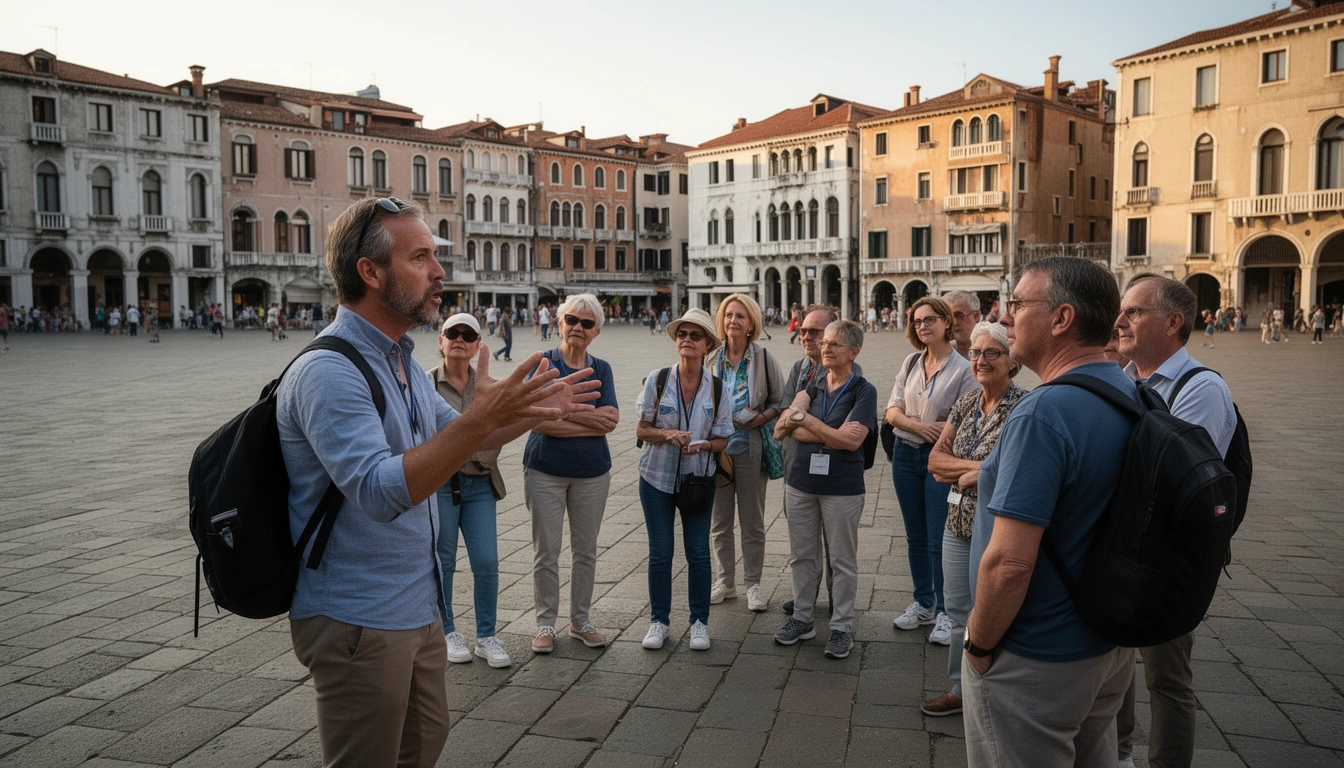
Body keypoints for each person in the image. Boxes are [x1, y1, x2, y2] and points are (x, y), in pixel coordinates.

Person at [278, 197, 600, 766]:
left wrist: (531, 411)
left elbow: (467, 438)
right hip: (359, 617)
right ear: (371, 272)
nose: (439, 271)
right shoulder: (327, 370)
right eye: (421, 257)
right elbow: (379, 492)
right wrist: (484, 416)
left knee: (425, 738)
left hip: (415, 605)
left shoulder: (397, 360)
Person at [964, 256, 1136, 768]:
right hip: (1107, 643)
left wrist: (977, 644)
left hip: (1038, 655)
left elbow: (1010, 564)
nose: (1007, 314)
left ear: (1061, 319)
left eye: (1017, 304)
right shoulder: (1130, 391)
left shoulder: (1043, 413)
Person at [1113, 275, 1237, 768]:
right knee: (1113, 669)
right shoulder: (1126, 378)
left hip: (1169, 563)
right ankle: (1117, 756)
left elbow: (1164, 478)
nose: (1120, 320)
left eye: (1135, 312)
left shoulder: (1200, 388)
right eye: (1122, 310)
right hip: (1124, 552)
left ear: (1173, 322)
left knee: (1166, 678)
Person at [921, 321, 1028, 717]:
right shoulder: (966, 402)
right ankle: (960, 688)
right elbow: (935, 461)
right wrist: (979, 470)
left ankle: (995, 687)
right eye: (976, 354)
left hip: (995, 525)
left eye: (992, 353)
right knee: (956, 607)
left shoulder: (1022, 406)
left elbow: (1011, 472)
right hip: (956, 521)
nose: (981, 360)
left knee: (989, 606)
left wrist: (976, 472)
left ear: (1011, 361)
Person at [773, 320, 877, 660]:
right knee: (802, 556)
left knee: (842, 561)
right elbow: (779, 430)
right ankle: (803, 618)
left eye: (835, 344)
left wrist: (803, 422)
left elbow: (852, 441)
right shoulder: (811, 385)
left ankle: (842, 626)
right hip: (800, 482)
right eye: (825, 342)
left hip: (842, 489)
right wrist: (826, 431)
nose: (826, 348)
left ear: (854, 352)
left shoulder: (864, 390)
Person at [523, 293, 620, 654]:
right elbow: (538, 420)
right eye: (572, 320)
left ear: (596, 332)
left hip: (592, 472)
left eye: (587, 323)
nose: (578, 327)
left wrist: (563, 413)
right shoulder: (543, 364)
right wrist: (582, 417)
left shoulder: (602, 368)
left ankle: (580, 620)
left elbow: (610, 421)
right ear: (559, 322)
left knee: (586, 550)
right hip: (545, 469)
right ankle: (545, 623)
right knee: (546, 550)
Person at [634, 308, 733, 651]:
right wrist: (667, 434)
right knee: (660, 552)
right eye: (682, 335)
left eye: (695, 336)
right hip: (656, 478)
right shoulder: (658, 379)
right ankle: (659, 621)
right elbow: (642, 429)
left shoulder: (718, 388)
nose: (687, 340)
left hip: (698, 479)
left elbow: (723, 439)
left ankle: (699, 622)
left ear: (707, 345)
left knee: (699, 554)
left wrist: (703, 444)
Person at [886, 296, 978, 643]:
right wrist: (920, 426)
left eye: (930, 319)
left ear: (945, 323)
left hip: (941, 460)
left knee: (942, 537)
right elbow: (891, 410)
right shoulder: (911, 362)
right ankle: (923, 602)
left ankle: (946, 612)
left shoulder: (964, 368)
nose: (923, 326)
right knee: (915, 535)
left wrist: (916, 423)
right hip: (906, 455)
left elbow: (964, 420)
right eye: (917, 321)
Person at [429, 313, 511, 669]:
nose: (460, 338)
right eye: (452, 332)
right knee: (443, 561)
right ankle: (446, 630)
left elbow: (503, 428)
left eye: (468, 334)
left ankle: (486, 635)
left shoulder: (489, 385)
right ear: (441, 340)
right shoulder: (425, 384)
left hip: (479, 483)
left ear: (478, 344)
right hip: (442, 484)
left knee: (487, 562)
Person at [780, 306, 864, 616]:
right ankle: (807, 596)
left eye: (816, 332)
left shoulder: (852, 376)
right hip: (798, 467)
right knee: (804, 543)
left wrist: (806, 425)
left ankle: (835, 601)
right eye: (803, 331)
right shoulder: (800, 369)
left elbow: (848, 434)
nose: (808, 337)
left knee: (838, 547)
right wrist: (824, 431)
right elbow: (784, 420)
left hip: (837, 475)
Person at [706, 293, 784, 611]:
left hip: (751, 447)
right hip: (718, 450)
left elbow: (779, 402)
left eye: (740, 316)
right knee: (719, 521)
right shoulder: (712, 358)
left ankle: (753, 585)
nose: (733, 321)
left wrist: (760, 417)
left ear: (751, 323)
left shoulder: (763, 358)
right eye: (728, 316)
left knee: (752, 521)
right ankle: (725, 582)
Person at [943, 290, 983, 359]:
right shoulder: (942, 353)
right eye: (949, 317)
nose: (954, 322)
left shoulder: (989, 350)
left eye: (959, 315)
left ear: (976, 316)